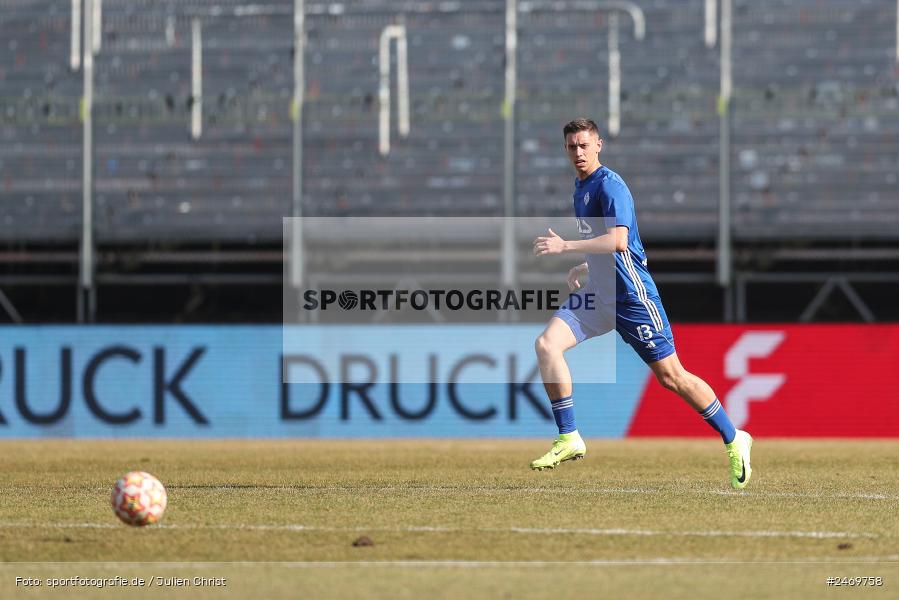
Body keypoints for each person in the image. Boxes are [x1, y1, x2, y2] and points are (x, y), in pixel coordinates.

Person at [529, 118, 753, 490]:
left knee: (672, 377)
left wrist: (566, 246)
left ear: (599, 145)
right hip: (599, 295)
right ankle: (569, 436)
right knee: (547, 345)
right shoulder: (581, 187)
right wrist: (585, 265)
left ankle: (734, 437)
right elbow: (613, 247)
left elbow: (619, 241)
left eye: (584, 145)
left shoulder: (610, 186)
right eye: (572, 147)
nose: (578, 153)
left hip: (632, 298)